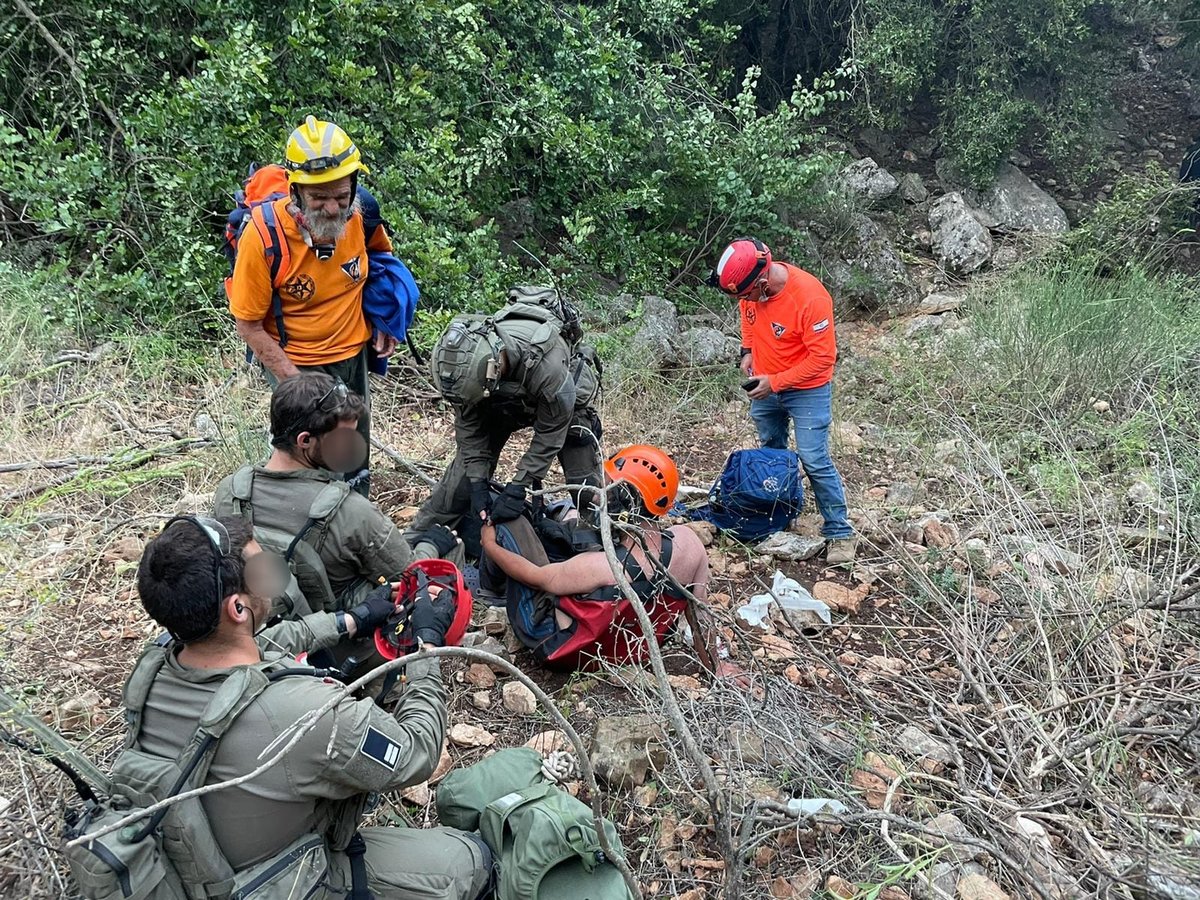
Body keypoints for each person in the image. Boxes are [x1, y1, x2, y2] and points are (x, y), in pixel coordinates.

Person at [127, 515, 491, 898]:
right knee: (467, 862)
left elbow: (266, 640)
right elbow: (415, 754)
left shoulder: (156, 665)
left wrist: (354, 618)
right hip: (276, 879)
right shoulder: (309, 714)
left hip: (193, 861)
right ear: (237, 608)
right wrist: (425, 649)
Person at [227, 115, 394, 497]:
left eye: (340, 196)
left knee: (353, 455)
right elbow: (248, 324)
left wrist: (386, 320)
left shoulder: (362, 214)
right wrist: (296, 381)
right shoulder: (263, 236)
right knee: (310, 462)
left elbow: (382, 264)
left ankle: (357, 519)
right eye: (319, 198)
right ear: (295, 191)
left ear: (354, 186)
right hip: (297, 361)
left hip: (353, 355)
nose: (333, 209)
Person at [212, 372, 458, 614]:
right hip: (343, 640)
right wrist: (431, 544)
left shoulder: (230, 491)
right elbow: (412, 577)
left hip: (257, 628)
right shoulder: (352, 512)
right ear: (305, 440)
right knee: (447, 553)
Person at [480, 445, 728, 673]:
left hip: (565, 648)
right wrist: (717, 666)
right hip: (629, 648)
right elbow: (700, 613)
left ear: (622, 498)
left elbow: (535, 578)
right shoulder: (690, 544)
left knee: (507, 522)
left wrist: (490, 544)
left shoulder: (599, 567)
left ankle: (491, 587)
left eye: (606, 488)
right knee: (571, 518)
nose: (598, 496)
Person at [411, 288, 604, 556]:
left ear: (493, 370)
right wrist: (478, 481)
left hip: (556, 404)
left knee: (581, 459)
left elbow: (551, 432)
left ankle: (606, 533)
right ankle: (417, 540)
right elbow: (470, 430)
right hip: (498, 401)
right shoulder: (459, 369)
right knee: (461, 482)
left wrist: (519, 486)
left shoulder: (548, 368)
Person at [711, 236, 856, 564]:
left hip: (808, 388)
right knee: (771, 452)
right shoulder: (750, 292)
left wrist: (775, 382)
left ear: (761, 281)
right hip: (765, 385)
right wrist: (747, 351)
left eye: (746, 294)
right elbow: (747, 314)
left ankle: (839, 531)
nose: (745, 300)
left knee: (813, 458)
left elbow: (823, 359)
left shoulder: (810, 297)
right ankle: (777, 512)